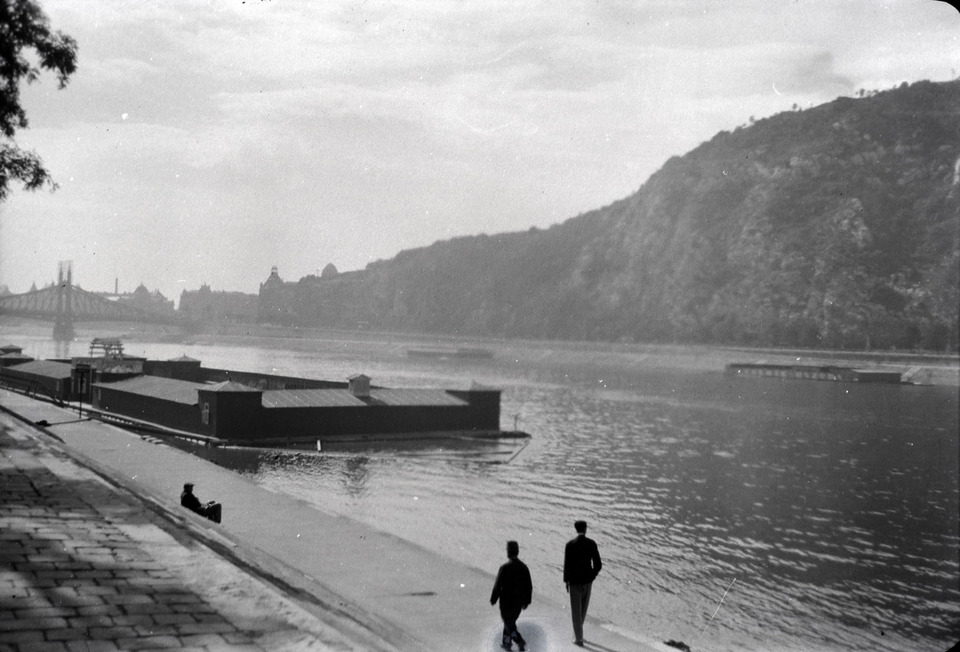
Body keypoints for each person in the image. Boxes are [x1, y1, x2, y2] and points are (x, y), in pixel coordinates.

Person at [563, 519, 602, 646]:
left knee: (576, 611)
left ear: (576, 529)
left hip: (574, 582)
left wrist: (566, 581)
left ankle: (578, 638)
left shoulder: (570, 545)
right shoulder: (591, 543)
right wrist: (592, 575)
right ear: (585, 529)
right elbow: (598, 564)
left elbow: (567, 566)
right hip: (587, 582)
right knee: (583, 609)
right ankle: (578, 634)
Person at [490, 540, 532, 651]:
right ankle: (506, 642)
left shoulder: (504, 568)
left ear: (508, 552)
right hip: (518, 603)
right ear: (517, 551)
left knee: (509, 623)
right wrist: (527, 601)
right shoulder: (524, 567)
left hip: (506, 602)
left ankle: (519, 640)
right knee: (511, 621)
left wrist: (494, 598)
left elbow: (498, 585)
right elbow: (529, 587)